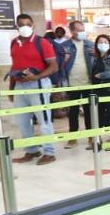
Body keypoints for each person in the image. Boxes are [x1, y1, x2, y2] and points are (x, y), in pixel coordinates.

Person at [8, 13, 58, 165]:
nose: (25, 27)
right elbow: (14, 65)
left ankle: (49, 152)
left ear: (33, 25)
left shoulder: (41, 42)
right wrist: (11, 88)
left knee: (44, 120)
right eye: (21, 24)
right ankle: (31, 150)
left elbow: (54, 66)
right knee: (22, 121)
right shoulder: (14, 43)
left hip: (38, 84)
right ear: (16, 26)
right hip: (19, 86)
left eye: (28, 24)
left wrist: (36, 77)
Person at [59, 20, 95, 148]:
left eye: (82, 30)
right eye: (79, 30)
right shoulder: (64, 46)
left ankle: (92, 136)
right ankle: (73, 137)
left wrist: (96, 54)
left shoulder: (90, 45)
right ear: (72, 31)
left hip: (88, 82)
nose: (81, 33)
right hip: (72, 83)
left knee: (89, 111)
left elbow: (98, 61)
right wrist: (63, 61)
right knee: (73, 111)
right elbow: (58, 65)